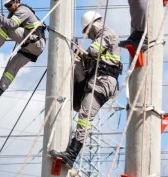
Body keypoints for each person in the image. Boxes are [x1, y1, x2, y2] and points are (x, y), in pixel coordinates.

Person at [50, 11, 121, 168]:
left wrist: (81, 50)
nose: (88, 36)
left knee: (84, 117)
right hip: (96, 80)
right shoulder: (102, 36)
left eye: (88, 32)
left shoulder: (108, 33)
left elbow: (94, 51)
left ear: (93, 25)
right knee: (75, 61)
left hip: (103, 82)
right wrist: (76, 51)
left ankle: (72, 154)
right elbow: (90, 58)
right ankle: (76, 99)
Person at [0, 0, 46, 112]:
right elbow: (4, 26)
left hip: (35, 42)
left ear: (16, 0)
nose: (8, 8)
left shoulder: (23, 10)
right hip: (30, 48)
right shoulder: (13, 14)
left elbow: (10, 25)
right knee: (10, 69)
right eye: (6, 6)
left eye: (9, 4)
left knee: (7, 27)